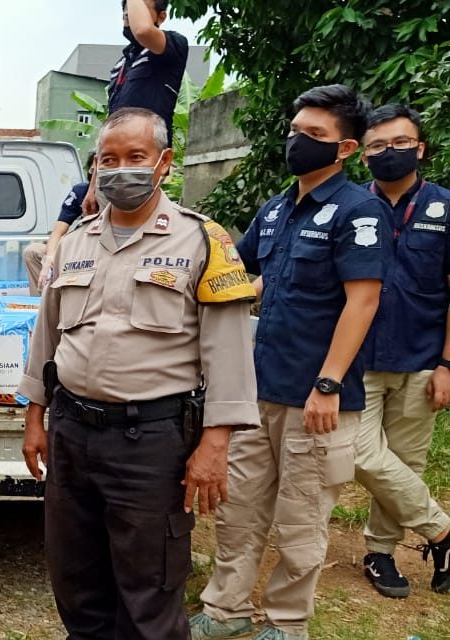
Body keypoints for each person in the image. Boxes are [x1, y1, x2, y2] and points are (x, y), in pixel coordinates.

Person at [18, 108, 259, 640]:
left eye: (135, 158)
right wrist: (35, 415)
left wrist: (214, 445)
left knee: (148, 593)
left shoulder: (203, 243)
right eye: (108, 160)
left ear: (164, 163)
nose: (120, 169)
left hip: (151, 442)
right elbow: (47, 336)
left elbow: (231, 357)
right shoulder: (74, 243)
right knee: (77, 584)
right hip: (72, 435)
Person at [192, 84, 390, 640]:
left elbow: (364, 298)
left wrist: (328, 383)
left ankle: (286, 621)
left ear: (346, 149)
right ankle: (225, 611)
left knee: (302, 518)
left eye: (315, 136)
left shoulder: (359, 211)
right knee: (240, 508)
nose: (297, 142)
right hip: (259, 389)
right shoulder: (278, 208)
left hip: (317, 397)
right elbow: (247, 276)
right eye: (295, 130)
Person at [352, 105, 450, 599]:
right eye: (377, 146)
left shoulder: (445, 208)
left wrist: (447, 364)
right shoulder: (350, 208)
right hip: (357, 359)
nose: (388, 153)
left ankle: (381, 553)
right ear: (363, 155)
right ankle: (443, 531)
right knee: (359, 452)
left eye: (399, 143)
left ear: (420, 148)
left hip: (421, 358)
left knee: (406, 462)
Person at [83, 0, 190, 214]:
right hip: (112, 169)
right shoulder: (119, 65)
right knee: (106, 234)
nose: (128, 12)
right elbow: (110, 124)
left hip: (145, 164)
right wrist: (93, 185)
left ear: (161, 17)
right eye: (126, 7)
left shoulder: (173, 46)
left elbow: (143, 30)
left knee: (146, 233)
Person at [24, 151, 98, 294]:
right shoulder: (81, 191)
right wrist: (50, 257)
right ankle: (40, 301)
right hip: (77, 244)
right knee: (33, 252)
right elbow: (58, 230)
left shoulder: (122, 195)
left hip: (96, 248)